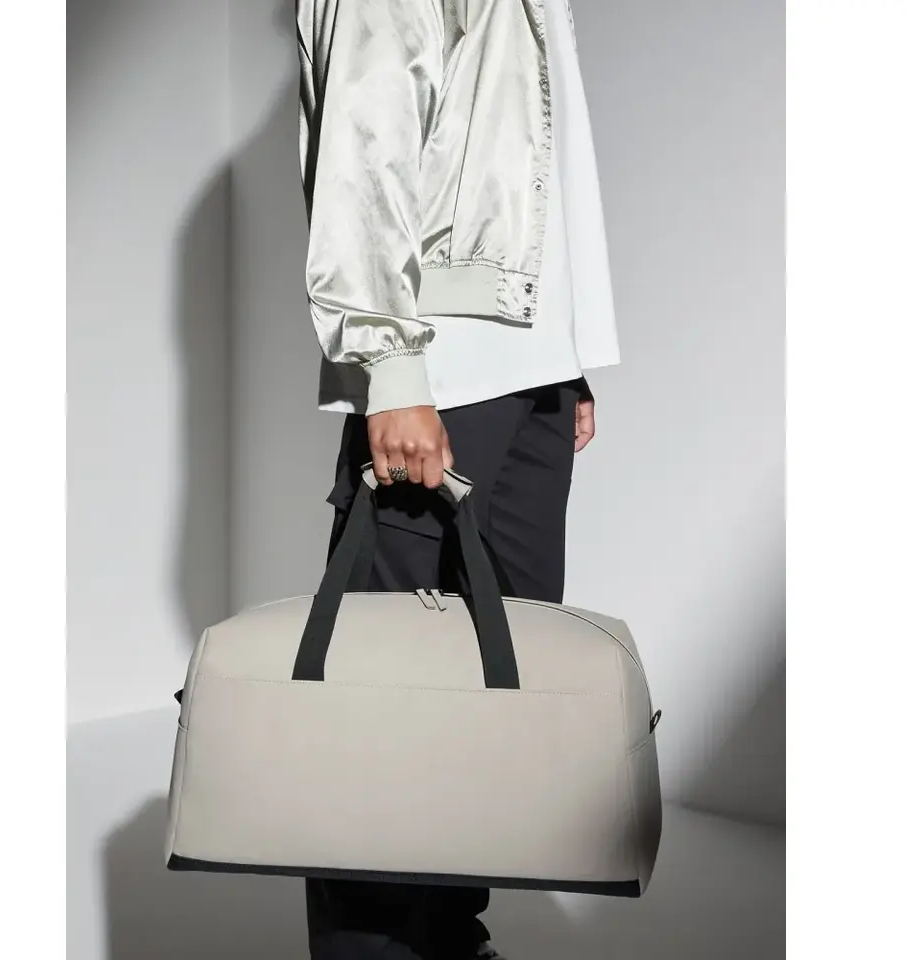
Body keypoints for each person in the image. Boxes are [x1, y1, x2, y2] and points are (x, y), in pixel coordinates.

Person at [296, 1, 620, 957]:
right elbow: (362, 147)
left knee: (495, 680)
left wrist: (564, 355)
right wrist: (390, 366)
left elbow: (534, 163)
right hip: (438, 365)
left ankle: (444, 928)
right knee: (382, 685)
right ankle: (370, 945)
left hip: (528, 368)